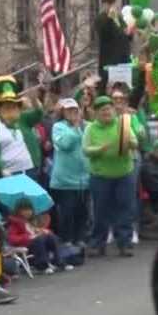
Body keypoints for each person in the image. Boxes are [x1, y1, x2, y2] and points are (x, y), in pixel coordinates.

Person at [83, 95, 138, 257]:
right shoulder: (91, 128)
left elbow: (135, 142)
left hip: (124, 173)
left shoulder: (123, 124)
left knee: (125, 208)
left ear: (113, 110)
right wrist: (99, 149)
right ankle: (97, 243)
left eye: (108, 109)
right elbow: (85, 150)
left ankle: (125, 243)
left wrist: (132, 143)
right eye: (102, 110)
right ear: (96, 113)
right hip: (101, 175)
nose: (106, 112)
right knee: (101, 210)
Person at [0, 76, 44, 180]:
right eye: (6, 106)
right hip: (7, 175)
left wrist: (34, 99)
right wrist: (1, 169)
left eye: (13, 105)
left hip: (30, 172)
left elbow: (39, 114)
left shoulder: (23, 119)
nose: (10, 108)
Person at [50, 98, 90, 246]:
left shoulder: (85, 126)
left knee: (82, 211)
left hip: (84, 179)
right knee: (67, 212)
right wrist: (74, 128)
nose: (72, 113)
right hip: (65, 180)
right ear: (63, 112)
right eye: (68, 110)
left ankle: (79, 238)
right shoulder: (58, 127)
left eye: (74, 109)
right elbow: (65, 144)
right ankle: (67, 239)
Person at [6, 198, 70, 273]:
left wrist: (44, 231)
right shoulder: (14, 224)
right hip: (26, 245)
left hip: (38, 243)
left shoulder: (33, 221)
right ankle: (42, 266)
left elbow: (39, 230)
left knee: (52, 237)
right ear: (19, 211)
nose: (28, 212)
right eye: (25, 210)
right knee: (39, 239)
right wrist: (29, 237)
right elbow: (12, 239)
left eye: (29, 210)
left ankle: (60, 261)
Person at [95, 0, 132, 95]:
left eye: (112, 4)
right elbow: (104, 34)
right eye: (108, 4)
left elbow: (125, 35)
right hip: (108, 60)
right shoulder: (101, 19)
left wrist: (129, 33)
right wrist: (109, 19)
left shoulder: (119, 18)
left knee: (121, 89)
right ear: (103, 5)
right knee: (107, 87)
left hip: (121, 59)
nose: (111, 7)